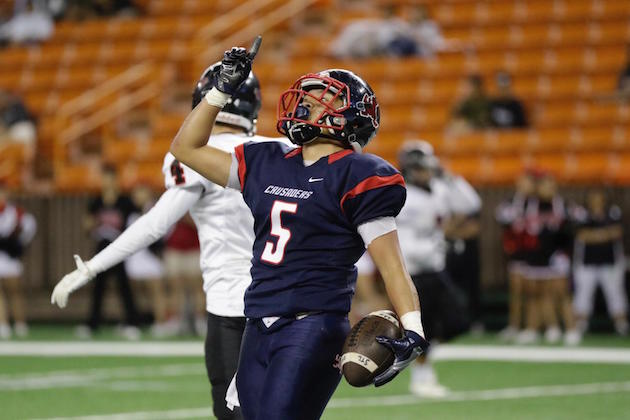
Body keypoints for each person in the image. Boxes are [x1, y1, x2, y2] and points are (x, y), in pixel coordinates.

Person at [169, 38, 428, 419]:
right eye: (309, 94)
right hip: (256, 321)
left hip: (312, 324)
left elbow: (392, 266)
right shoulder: (268, 160)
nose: (309, 100)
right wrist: (220, 90)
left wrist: (414, 329)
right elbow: (185, 148)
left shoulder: (361, 175)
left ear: (353, 114)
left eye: (326, 95)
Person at [52, 62, 277, 420]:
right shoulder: (280, 149)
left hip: (232, 306)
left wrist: (93, 267)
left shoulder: (197, 156)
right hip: (284, 304)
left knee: (232, 410)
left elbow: (156, 224)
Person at [395, 140, 468, 397]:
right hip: (415, 272)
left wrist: (449, 178)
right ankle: (422, 376)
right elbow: (403, 240)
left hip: (435, 269)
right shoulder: (403, 194)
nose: (426, 171)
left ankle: (419, 365)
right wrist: (437, 245)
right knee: (423, 327)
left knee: (457, 322)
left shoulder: (438, 189)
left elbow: (470, 204)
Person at [75, 165, 140, 339]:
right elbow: (87, 225)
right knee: (98, 287)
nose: (107, 182)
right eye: (104, 178)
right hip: (102, 247)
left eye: (110, 178)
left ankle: (131, 322)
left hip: (120, 247)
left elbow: (136, 220)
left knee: (124, 286)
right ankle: (93, 323)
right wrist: (91, 223)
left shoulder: (124, 201)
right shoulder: (96, 201)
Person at [572, 189, 628, 335]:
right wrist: (605, 234)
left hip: (610, 261)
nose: (596, 201)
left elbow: (617, 232)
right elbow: (582, 235)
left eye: (599, 197)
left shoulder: (613, 212)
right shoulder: (582, 213)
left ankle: (621, 325)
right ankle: (580, 325)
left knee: (615, 293)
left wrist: (595, 236)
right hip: (587, 262)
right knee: (583, 293)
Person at [495, 171, 537, 341]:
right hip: (518, 253)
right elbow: (502, 215)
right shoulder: (514, 201)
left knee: (532, 292)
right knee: (516, 291)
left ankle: (531, 327)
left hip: (535, 254)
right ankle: (515, 325)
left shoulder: (538, 202)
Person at [123, 185, 168, 336]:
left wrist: (158, 253)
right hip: (135, 258)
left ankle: (161, 322)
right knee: (138, 295)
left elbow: (162, 233)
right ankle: (139, 322)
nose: (137, 196)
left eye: (140, 192)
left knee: (155, 291)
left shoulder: (156, 209)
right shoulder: (131, 212)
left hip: (150, 257)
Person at [0, 182, 36, 339]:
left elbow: (30, 226)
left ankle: (20, 323)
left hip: (9, 257)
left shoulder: (16, 213)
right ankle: (3, 324)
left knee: (14, 291)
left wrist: (19, 243)